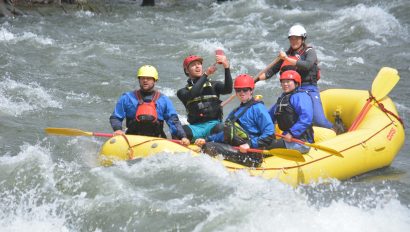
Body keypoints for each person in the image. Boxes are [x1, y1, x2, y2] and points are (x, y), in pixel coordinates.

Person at [257, 24, 336, 130]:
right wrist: (255, 80)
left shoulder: (309, 51)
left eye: (297, 38)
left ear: (303, 39)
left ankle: (336, 129)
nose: (294, 41)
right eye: (291, 39)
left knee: (318, 120)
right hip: (292, 89)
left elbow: (307, 65)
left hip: (309, 88)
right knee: (270, 115)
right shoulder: (286, 55)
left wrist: (287, 59)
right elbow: (270, 72)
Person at [196, 74, 277, 167]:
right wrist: (207, 139)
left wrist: (250, 144)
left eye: (245, 90)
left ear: (251, 90)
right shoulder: (236, 111)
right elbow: (227, 133)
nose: (241, 93)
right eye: (238, 90)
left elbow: (270, 135)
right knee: (215, 133)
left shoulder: (258, 109)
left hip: (252, 155)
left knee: (209, 147)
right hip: (238, 147)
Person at [110, 65, 190, 145]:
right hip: (132, 139)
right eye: (142, 78)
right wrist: (118, 129)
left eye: (148, 78)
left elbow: (173, 121)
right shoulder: (127, 98)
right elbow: (116, 117)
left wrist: (183, 136)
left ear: (154, 80)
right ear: (139, 80)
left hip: (156, 140)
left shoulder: (164, 100)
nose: (145, 80)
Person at [177, 53, 233, 142]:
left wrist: (226, 67)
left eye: (199, 64)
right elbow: (193, 94)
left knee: (223, 128)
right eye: (193, 65)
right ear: (187, 70)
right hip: (196, 128)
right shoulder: (182, 92)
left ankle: (206, 141)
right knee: (179, 131)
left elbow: (228, 89)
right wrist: (206, 74)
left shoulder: (215, 85)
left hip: (214, 126)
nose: (197, 67)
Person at [268, 70, 314, 153]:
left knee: (267, 146)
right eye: (283, 82)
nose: (285, 84)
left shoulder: (301, 96)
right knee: (262, 143)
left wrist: (292, 133)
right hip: (287, 138)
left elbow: (306, 117)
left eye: (288, 82)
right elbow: (268, 117)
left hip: (301, 142)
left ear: (296, 83)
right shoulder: (283, 99)